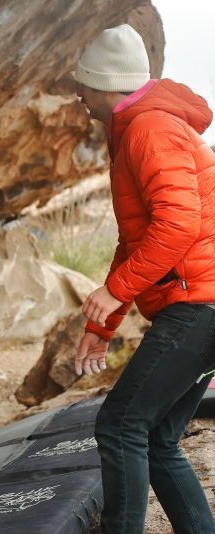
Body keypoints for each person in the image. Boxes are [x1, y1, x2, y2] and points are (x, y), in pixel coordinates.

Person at [72, 24, 215, 533]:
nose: (78, 94)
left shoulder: (150, 129)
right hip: (202, 306)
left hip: (199, 308)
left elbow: (179, 226)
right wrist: (103, 324)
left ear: (103, 82)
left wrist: (113, 291)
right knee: (156, 438)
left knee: (121, 424)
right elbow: (135, 244)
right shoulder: (142, 128)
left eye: (83, 84)